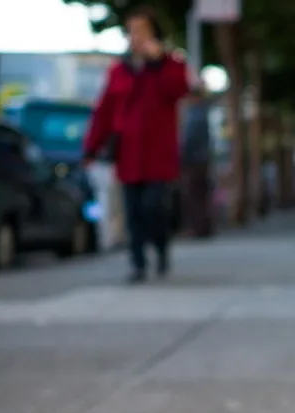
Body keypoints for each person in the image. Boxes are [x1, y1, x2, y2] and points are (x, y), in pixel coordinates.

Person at [82, 5, 190, 283]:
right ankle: (138, 263)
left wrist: (157, 62)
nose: (137, 37)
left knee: (155, 206)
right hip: (128, 153)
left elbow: (178, 90)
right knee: (133, 211)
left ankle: (161, 248)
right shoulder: (120, 71)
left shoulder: (171, 66)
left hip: (159, 153)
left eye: (142, 31)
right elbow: (104, 111)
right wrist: (91, 148)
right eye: (132, 31)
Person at [177, 89, 214, 239]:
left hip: (194, 162)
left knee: (193, 196)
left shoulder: (195, 114)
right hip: (201, 160)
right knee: (201, 196)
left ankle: (197, 228)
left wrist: (181, 156)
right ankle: (202, 227)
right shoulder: (202, 112)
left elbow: (189, 139)